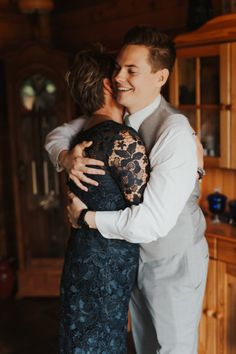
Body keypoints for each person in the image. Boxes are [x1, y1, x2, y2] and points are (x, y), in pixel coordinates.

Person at [45, 26, 208, 354]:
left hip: (171, 259)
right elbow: (56, 134)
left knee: (172, 350)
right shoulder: (122, 115)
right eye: (118, 67)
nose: (119, 76)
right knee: (144, 347)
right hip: (133, 258)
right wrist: (66, 158)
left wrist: (87, 217)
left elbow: (153, 223)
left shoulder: (174, 131)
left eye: (131, 70)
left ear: (160, 77)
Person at [58, 47, 150, 354]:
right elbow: (145, 206)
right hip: (107, 263)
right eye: (117, 75)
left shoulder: (79, 136)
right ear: (108, 85)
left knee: (84, 339)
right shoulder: (120, 139)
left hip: (82, 254)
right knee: (104, 341)